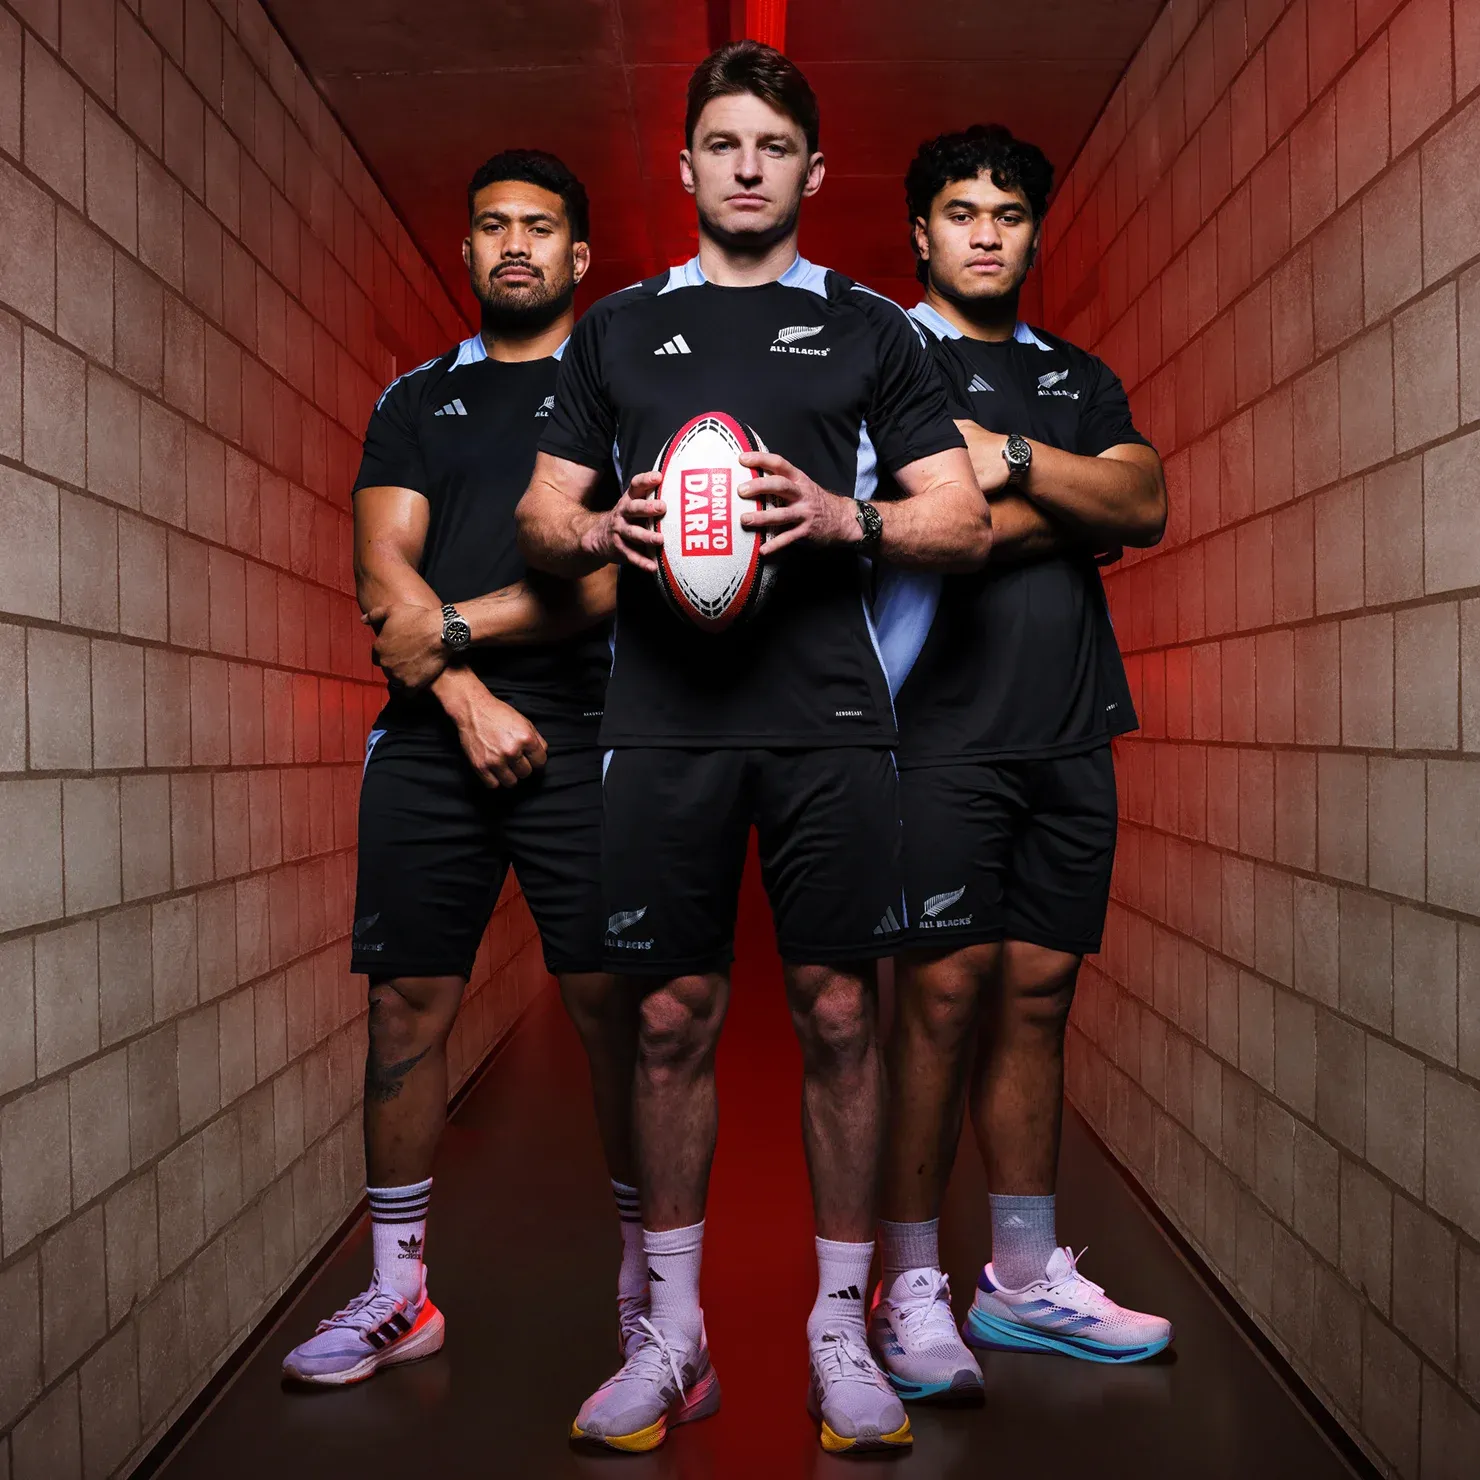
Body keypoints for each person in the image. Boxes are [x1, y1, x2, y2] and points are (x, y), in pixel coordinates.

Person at [517, 42, 990, 1456]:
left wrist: (848, 518)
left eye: (772, 147)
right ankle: (672, 1338)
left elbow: (961, 517)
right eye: (722, 143)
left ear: (812, 172)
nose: (745, 167)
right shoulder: (617, 329)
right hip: (663, 718)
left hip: (827, 717)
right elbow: (540, 515)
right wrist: (598, 527)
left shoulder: (870, 329)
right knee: (669, 1017)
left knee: (841, 1013)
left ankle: (839, 1330)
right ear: (684, 166)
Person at [281, 150, 642, 1386]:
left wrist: (447, 632)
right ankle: (398, 1294)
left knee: (617, 1013)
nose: (515, 245)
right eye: (493, 225)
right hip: (433, 735)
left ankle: (650, 1293)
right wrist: (464, 690)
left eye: (540, 226)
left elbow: (617, 579)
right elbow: (379, 570)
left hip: (590, 730)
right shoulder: (417, 400)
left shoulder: (620, 393)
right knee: (403, 1007)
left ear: (579, 255)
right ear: (470, 248)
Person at [867, 124, 1173, 1403]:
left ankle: (1024, 1279)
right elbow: (937, 534)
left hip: (1069, 729)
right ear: (920, 233)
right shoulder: (885, 358)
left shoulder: (1074, 373)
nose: (985, 232)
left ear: (1033, 235)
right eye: (960, 211)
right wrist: (1058, 501)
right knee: (938, 1001)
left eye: (1006, 213)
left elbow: (1143, 503)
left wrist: (1009, 459)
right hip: (936, 733)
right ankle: (906, 1287)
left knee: (1038, 999)